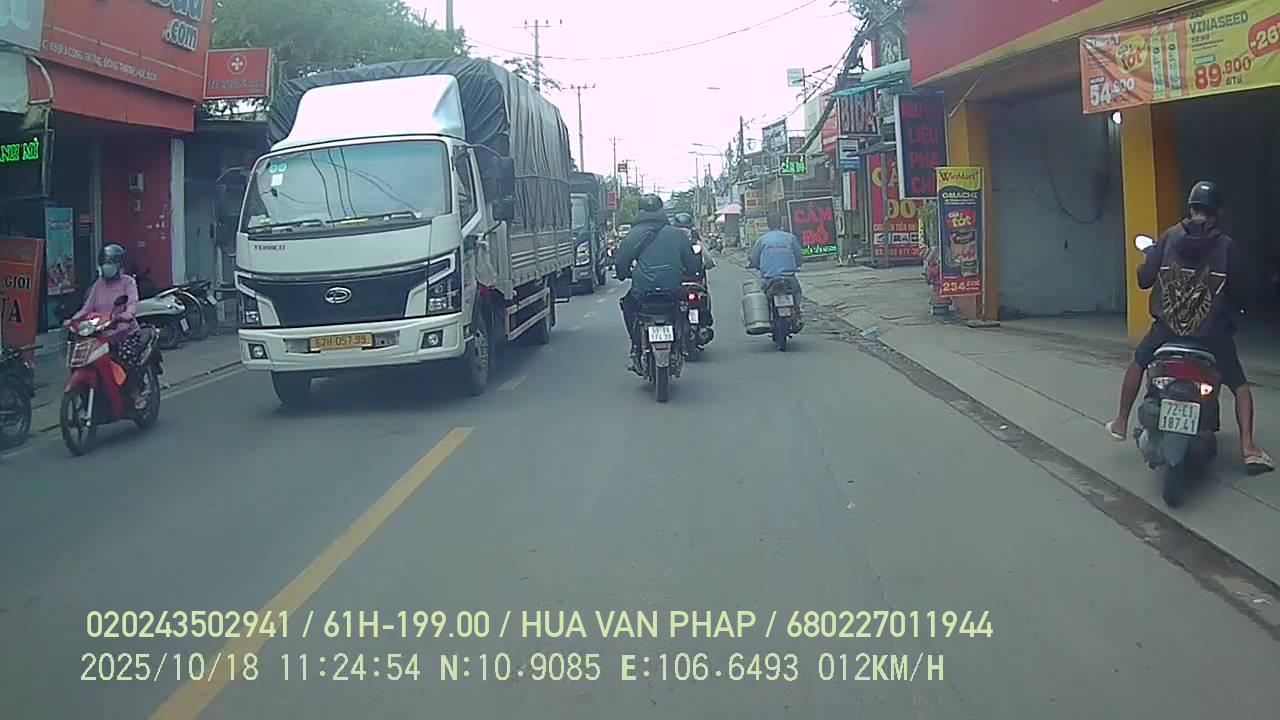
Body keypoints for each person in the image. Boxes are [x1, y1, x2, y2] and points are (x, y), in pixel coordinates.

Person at [1106, 180, 1272, 474]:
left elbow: (1144, 279)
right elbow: (1242, 291)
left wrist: (1148, 262)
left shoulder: (1170, 237)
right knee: (1239, 386)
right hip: (1212, 335)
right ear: (1216, 213)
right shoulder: (1226, 246)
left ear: (1191, 208)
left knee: (1139, 362)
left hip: (1166, 331)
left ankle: (1120, 422)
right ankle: (1248, 447)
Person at [614, 195, 700, 368]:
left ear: (640, 211)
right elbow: (693, 264)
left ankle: (636, 347)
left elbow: (621, 263)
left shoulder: (632, 235)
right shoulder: (677, 234)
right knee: (683, 307)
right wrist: (688, 272)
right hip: (672, 290)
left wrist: (623, 274)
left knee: (628, 305)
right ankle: (682, 342)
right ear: (661, 210)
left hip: (642, 292)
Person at [70, 244, 148, 410]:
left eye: (110, 262)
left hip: (124, 333)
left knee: (126, 356)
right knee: (82, 359)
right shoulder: (98, 285)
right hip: (100, 335)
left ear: (119, 264)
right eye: (105, 262)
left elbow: (133, 303)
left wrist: (127, 314)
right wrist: (73, 320)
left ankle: (136, 391)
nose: (107, 266)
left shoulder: (128, 282)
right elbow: (87, 308)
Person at [748, 211, 806, 327]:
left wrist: (754, 265)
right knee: (797, 292)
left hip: (769, 278)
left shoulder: (762, 240)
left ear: (768, 224)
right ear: (781, 223)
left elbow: (754, 259)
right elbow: (799, 256)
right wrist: (797, 265)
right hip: (788, 277)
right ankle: (797, 313)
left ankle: (767, 316)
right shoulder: (790, 238)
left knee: (763, 296)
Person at [671, 211, 715, 328]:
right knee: (704, 299)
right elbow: (709, 262)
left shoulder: (670, 244)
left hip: (675, 284)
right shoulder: (696, 243)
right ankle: (705, 320)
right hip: (696, 283)